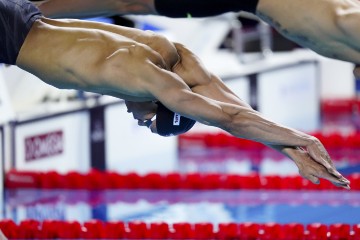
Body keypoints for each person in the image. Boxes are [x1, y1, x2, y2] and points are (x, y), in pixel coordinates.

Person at [1, 0, 350, 189]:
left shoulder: (171, 52)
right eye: (149, 120)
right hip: (12, 34)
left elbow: (232, 105)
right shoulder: (142, 78)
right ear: (162, 101)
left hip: (24, 16)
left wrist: (289, 149)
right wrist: (302, 138)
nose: (135, 118)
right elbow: (228, 117)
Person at [33, 0, 360, 75]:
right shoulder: (348, 23)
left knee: (132, 1)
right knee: (131, 2)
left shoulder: (346, 48)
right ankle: (23, 12)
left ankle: (23, 13)